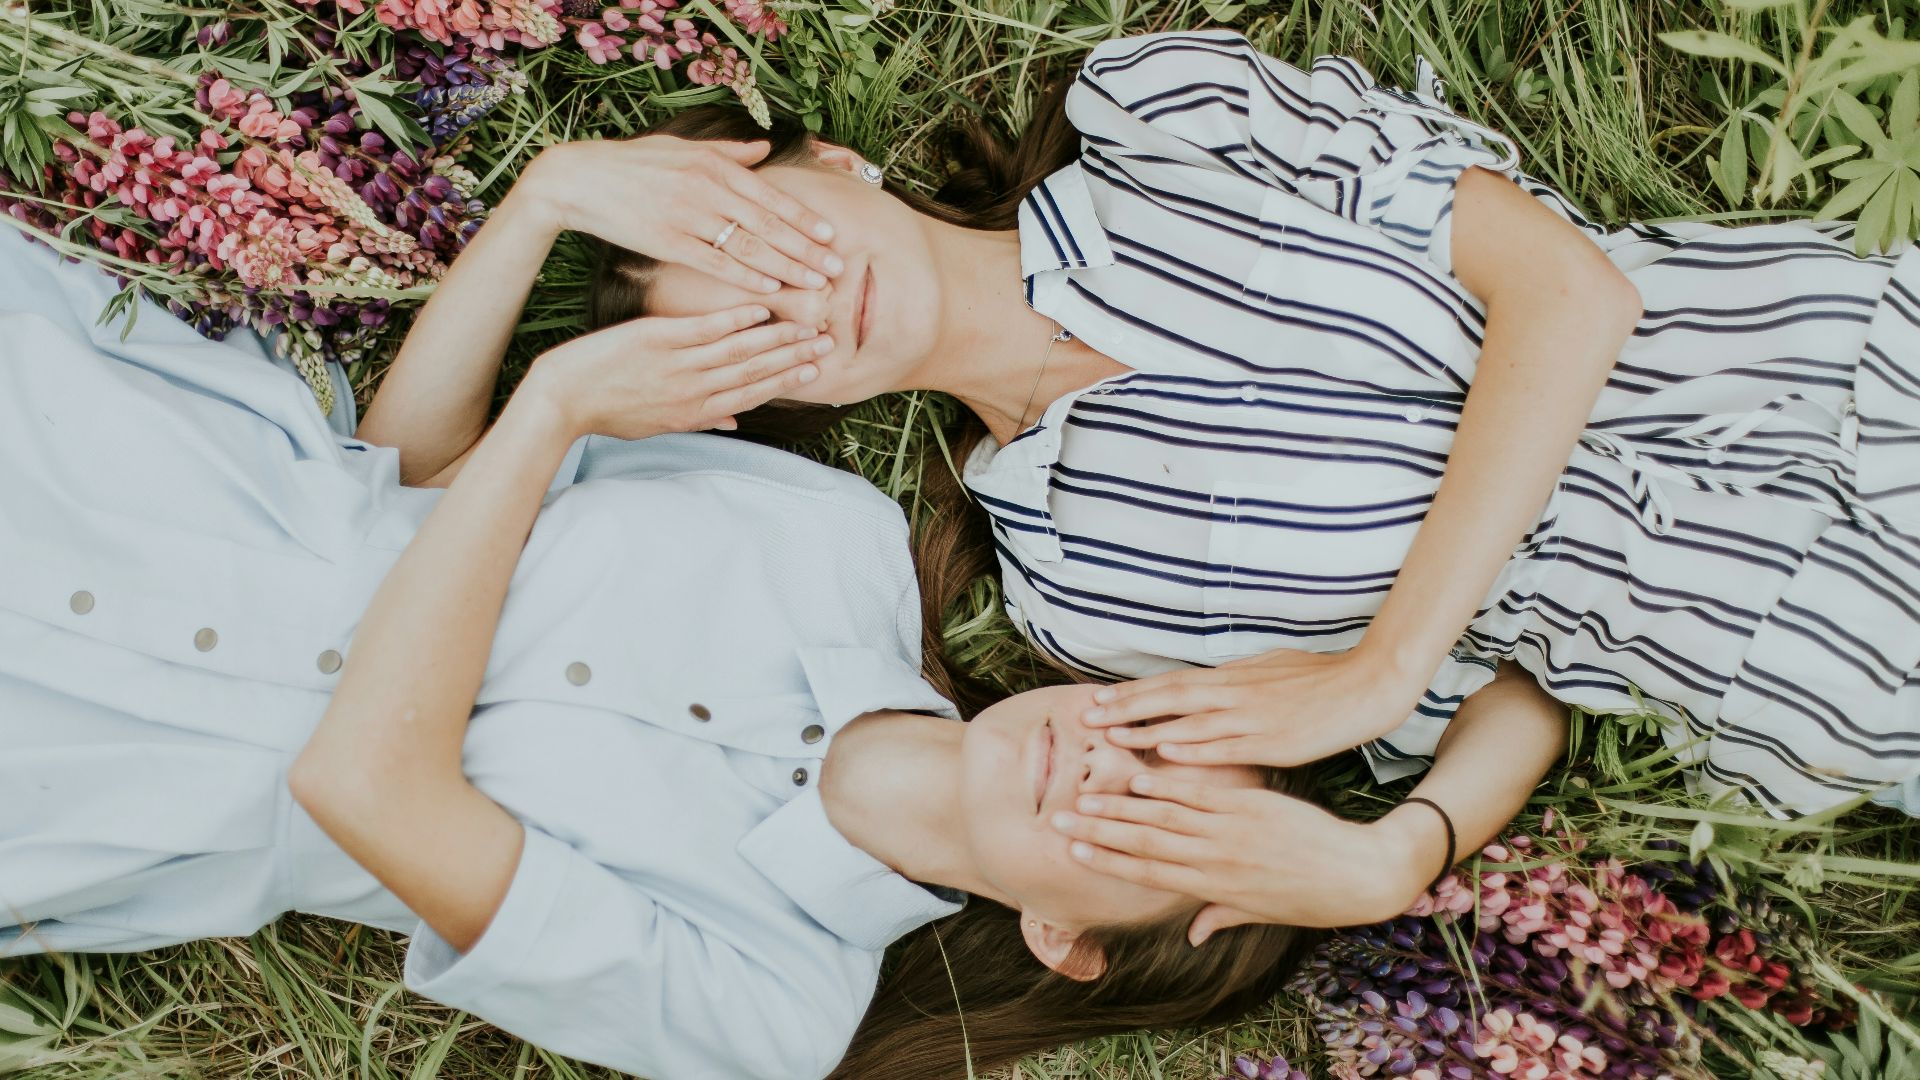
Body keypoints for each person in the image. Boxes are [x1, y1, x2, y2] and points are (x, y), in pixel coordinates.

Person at [0, 123, 1376, 1080]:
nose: (1101, 766)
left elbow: (365, 787)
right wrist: (543, 202)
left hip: (93, 771)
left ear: (1062, 941)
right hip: (132, 473)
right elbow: (408, 492)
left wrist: (551, 413)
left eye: (1134, 825)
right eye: (1157, 746)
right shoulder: (831, 537)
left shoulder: (770, 1011)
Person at [594, 27, 1920, 942]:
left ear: (832, 164)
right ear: (767, 402)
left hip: (1835, 355)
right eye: (754, 331)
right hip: (1807, 660)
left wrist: (1383, 662)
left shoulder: (1161, 118)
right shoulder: (1078, 599)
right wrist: (1399, 851)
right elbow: (1518, 687)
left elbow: (1570, 289)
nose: (805, 298)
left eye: (769, 242)